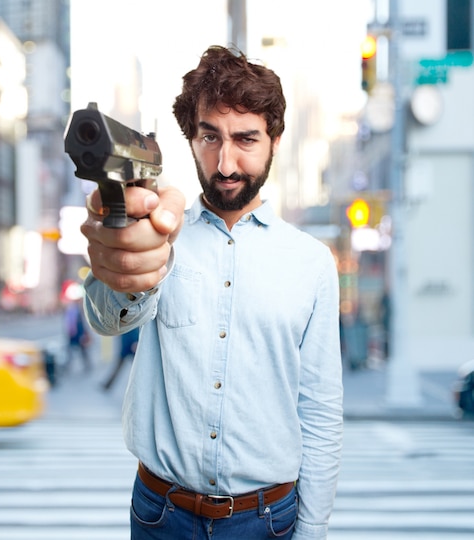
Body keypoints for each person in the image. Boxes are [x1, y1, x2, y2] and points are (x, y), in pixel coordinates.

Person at [80, 45, 343, 540]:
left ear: (275, 141)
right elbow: (104, 318)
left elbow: (321, 410)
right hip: (162, 515)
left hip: (267, 521)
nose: (225, 163)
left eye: (246, 139)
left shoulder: (311, 263)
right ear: (191, 138)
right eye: (209, 137)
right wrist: (127, 264)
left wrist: (312, 531)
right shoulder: (159, 228)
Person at [103, 326, 140, 391]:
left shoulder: (130, 322)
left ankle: (108, 385)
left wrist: (135, 341)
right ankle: (108, 385)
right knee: (119, 368)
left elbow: (134, 332)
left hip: (131, 347)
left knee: (137, 369)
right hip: (126, 348)